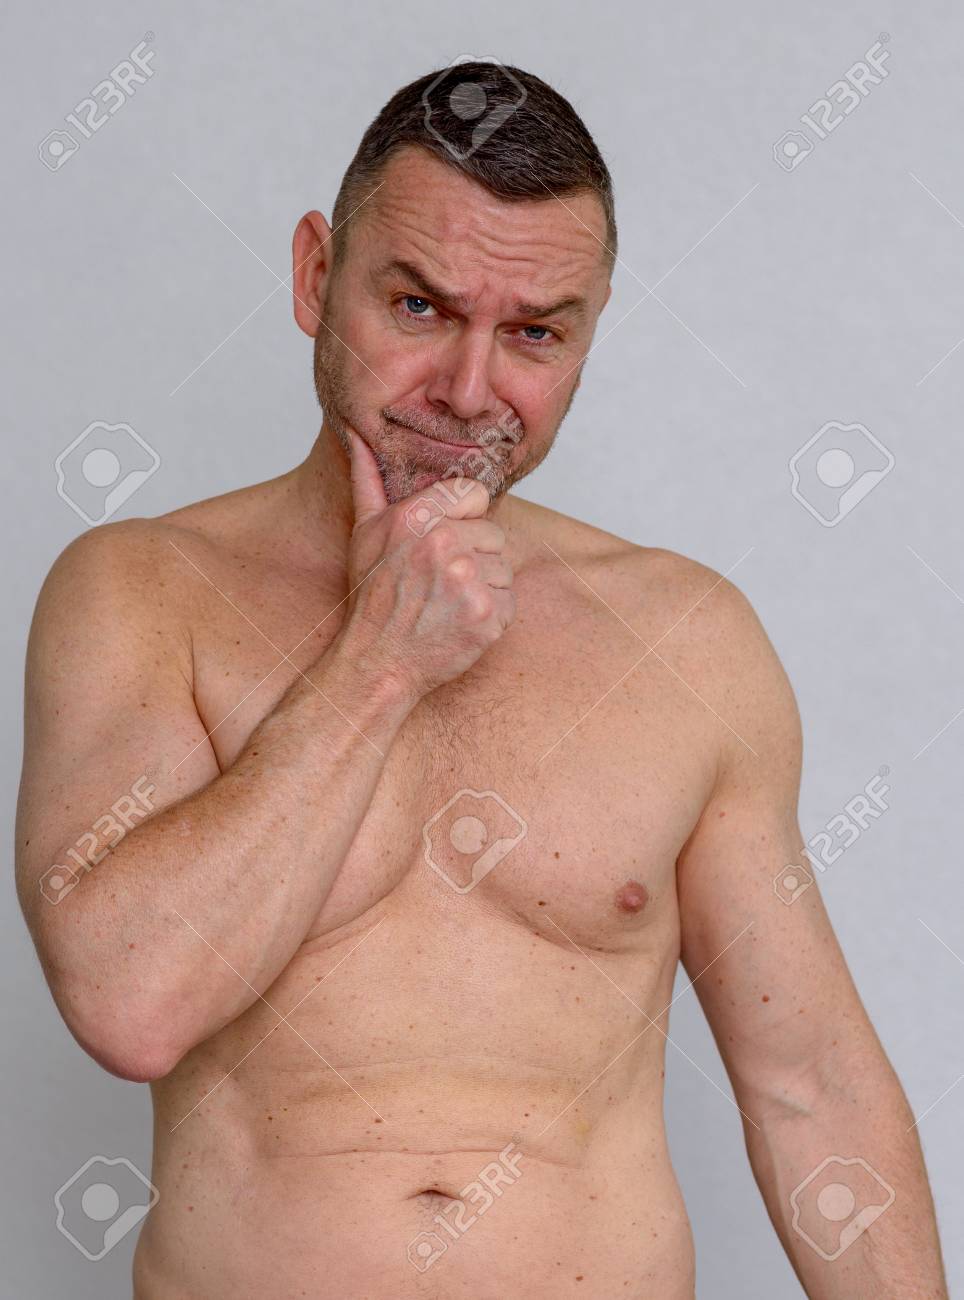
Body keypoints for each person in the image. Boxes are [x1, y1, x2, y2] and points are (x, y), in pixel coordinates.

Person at [16, 62, 947, 1298]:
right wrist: (376, 665)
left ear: (588, 331)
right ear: (314, 276)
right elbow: (129, 1001)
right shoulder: (140, 594)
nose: (467, 391)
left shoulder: (686, 635)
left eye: (534, 334)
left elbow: (811, 1087)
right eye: (416, 306)